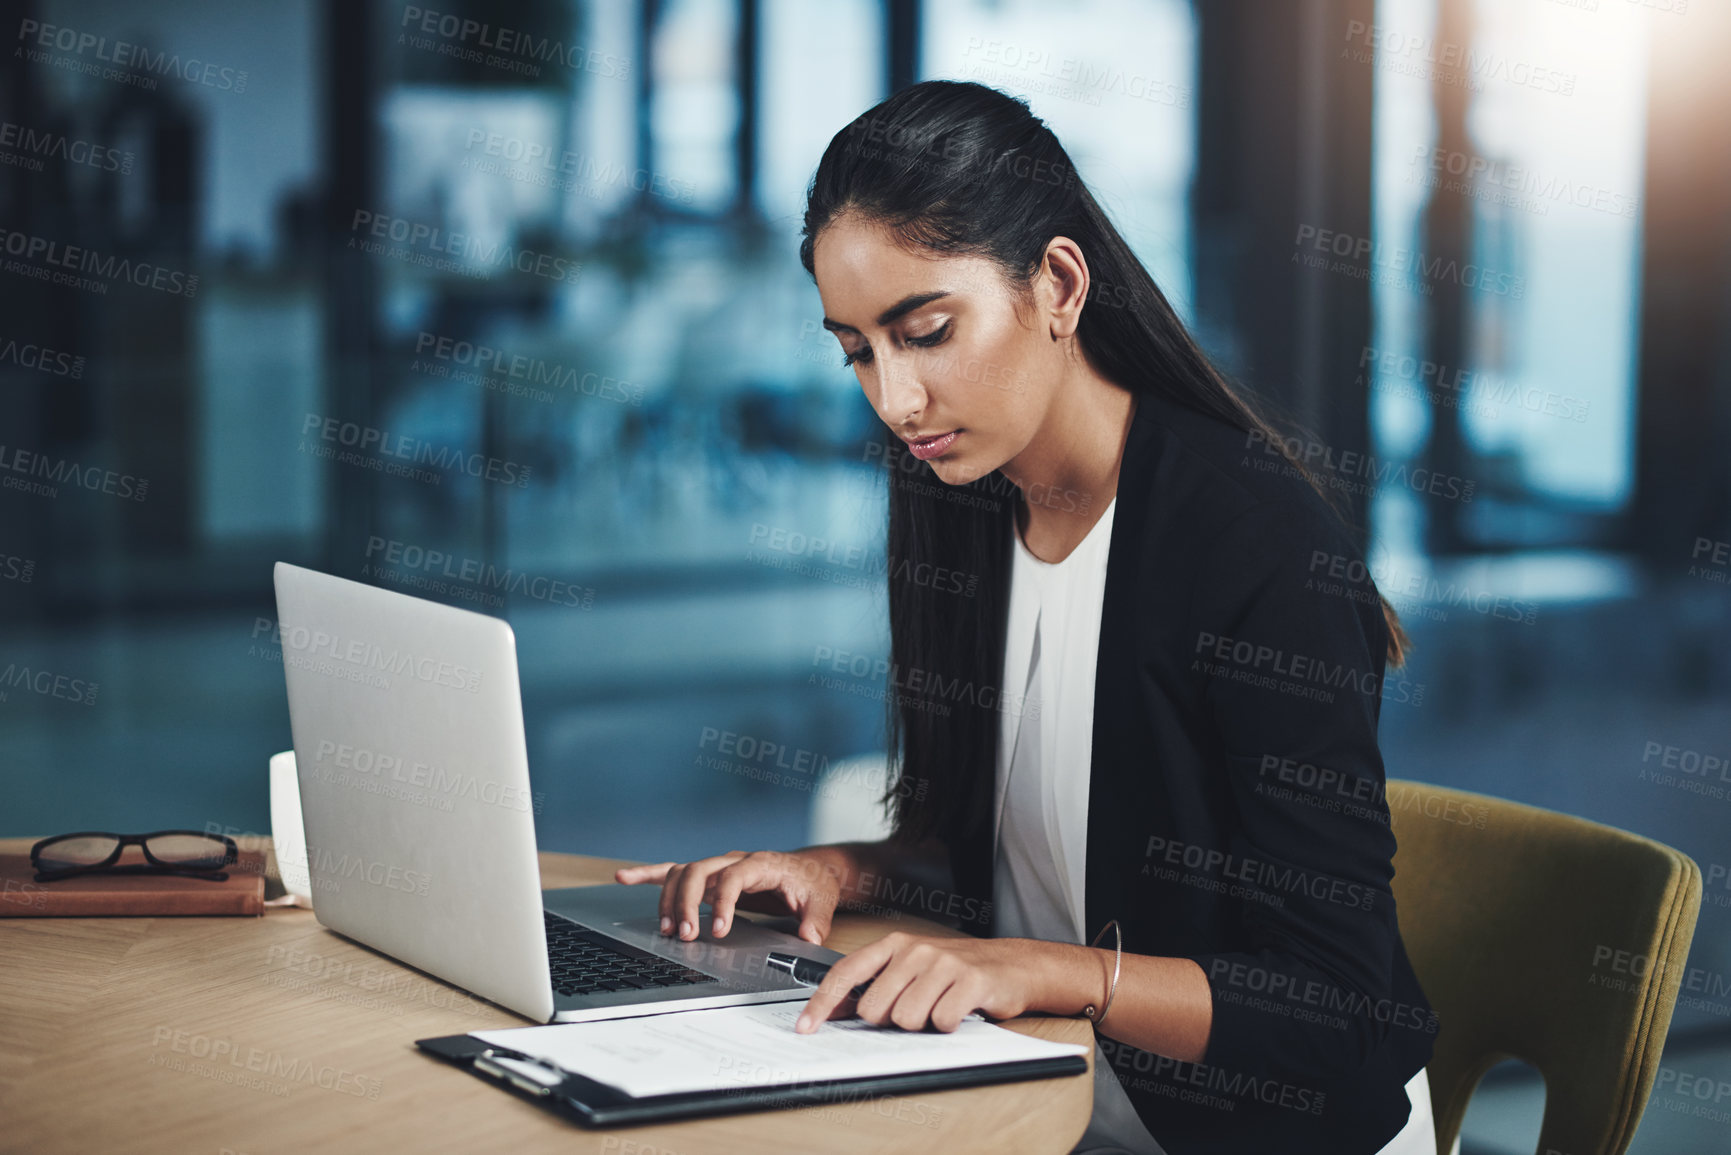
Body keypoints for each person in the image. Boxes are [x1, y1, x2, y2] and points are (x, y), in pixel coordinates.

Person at [619, 80, 1437, 1155]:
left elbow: (1334, 1009)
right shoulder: (960, 488)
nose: (894, 401)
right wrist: (835, 871)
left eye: (927, 332)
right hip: (1042, 1090)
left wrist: (1046, 970)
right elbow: (988, 845)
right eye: (858, 350)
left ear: (1057, 284)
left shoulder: (1257, 549)